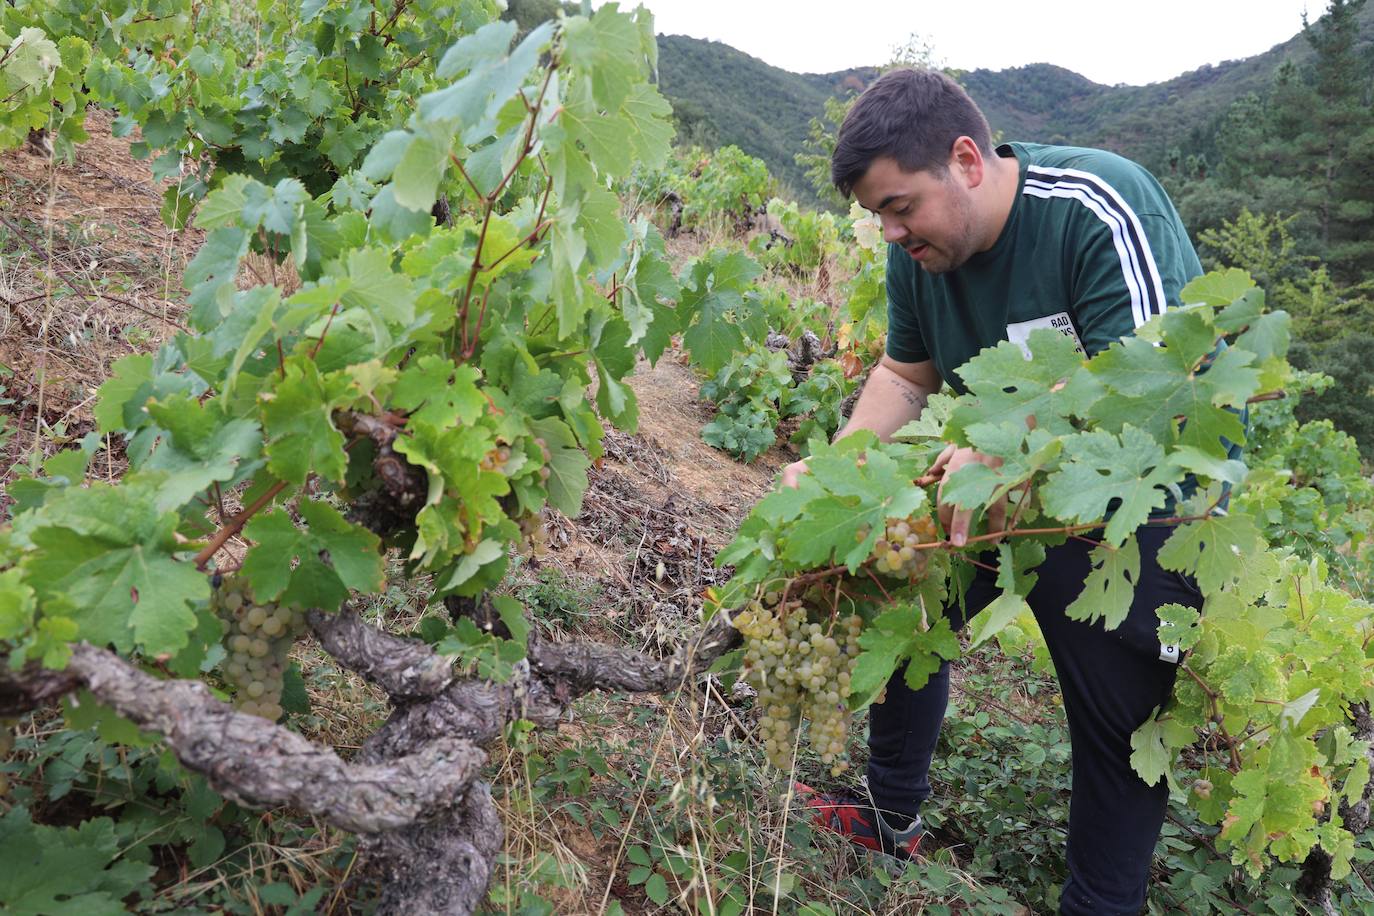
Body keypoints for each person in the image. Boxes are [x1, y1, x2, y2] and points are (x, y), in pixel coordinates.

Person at [780, 68, 1208, 915]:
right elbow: (906, 374)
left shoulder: (1096, 204)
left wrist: (1009, 447)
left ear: (967, 160)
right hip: (996, 482)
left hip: (1140, 502)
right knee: (905, 606)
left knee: (1115, 724)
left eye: (901, 206)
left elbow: (1160, 384)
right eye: (877, 217)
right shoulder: (922, 255)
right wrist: (834, 469)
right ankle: (886, 813)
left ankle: (1100, 903)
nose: (892, 231)